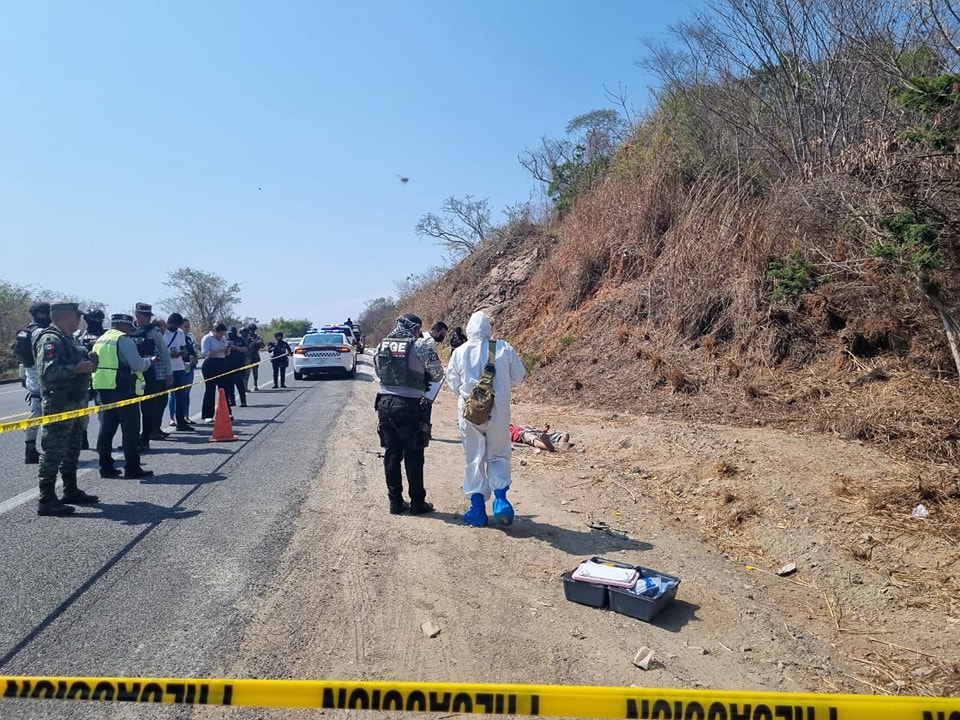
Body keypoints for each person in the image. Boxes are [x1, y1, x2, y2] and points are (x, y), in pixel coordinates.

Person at [446, 310, 526, 527]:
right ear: (488, 329)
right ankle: (501, 501)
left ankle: (477, 510)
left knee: (474, 458)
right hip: (499, 412)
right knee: (499, 454)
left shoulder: (459, 352)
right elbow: (518, 376)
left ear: (469, 329)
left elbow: (453, 383)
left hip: (470, 412)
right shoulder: (503, 348)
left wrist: (468, 394)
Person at [373, 313, 444, 515]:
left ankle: (395, 502)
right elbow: (438, 374)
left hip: (384, 404)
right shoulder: (420, 346)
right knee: (414, 455)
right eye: (418, 329)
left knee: (392, 454)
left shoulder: (381, 345)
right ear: (415, 329)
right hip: (409, 406)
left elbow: (378, 372)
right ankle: (417, 503)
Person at [32, 301, 99, 516]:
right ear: (67, 316)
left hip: (75, 403)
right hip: (59, 405)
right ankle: (46, 499)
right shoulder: (50, 340)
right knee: (53, 451)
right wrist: (77, 368)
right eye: (77, 316)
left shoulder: (68, 339)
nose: (79, 320)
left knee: (72, 448)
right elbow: (48, 373)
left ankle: (70, 490)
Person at [91, 314, 155, 479]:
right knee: (130, 430)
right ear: (124, 325)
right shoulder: (123, 340)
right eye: (130, 327)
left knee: (106, 429)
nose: (131, 330)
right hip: (122, 388)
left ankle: (105, 467)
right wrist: (149, 361)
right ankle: (132, 468)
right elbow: (137, 365)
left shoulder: (101, 339)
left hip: (103, 388)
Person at [12, 301, 50, 464]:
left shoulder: (25, 331)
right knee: (45, 414)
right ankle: (43, 452)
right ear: (39, 314)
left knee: (36, 411)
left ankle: (31, 449)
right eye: (46, 313)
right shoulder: (41, 332)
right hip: (42, 376)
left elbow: (15, 352)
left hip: (30, 374)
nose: (48, 316)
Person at [131, 302, 172, 450]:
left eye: (148, 316)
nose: (147, 318)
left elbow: (164, 353)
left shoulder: (154, 331)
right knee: (130, 410)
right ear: (137, 315)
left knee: (148, 409)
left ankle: (145, 439)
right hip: (131, 374)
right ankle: (131, 440)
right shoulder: (129, 329)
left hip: (148, 373)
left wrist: (169, 373)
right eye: (144, 315)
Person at [76, 308, 107, 452]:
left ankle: (103, 441)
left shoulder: (107, 335)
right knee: (82, 410)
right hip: (84, 377)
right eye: (93, 319)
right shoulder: (79, 335)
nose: (96, 322)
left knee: (103, 410)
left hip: (102, 377)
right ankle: (83, 438)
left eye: (98, 319)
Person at [163, 313, 195, 430]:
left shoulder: (180, 333)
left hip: (179, 368)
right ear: (169, 323)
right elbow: (159, 351)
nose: (176, 328)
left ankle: (181, 423)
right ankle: (161, 424)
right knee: (164, 398)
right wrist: (169, 354)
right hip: (166, 370)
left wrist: (181, 353)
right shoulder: (163, 333)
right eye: (175, 326)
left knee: (181, 397)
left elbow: (184, 348)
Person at [169, 317, 198, 426]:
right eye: (184, 326)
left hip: (188, 368)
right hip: (175, 368)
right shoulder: (171, 335)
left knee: (185, 394)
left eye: (188, 327)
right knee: (173, 395)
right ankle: (172, 418)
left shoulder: (189, 339)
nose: (186, 329)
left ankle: (186, 416)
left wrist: (194, 359)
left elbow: (191, 352)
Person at [200, 322, 231, 421]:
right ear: (214, 331)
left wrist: (227, 350)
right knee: (210, 390)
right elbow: (205, 353)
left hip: (222, 363)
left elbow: (226, 353)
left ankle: (226, 412)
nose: (222, 336)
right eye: (220, 334)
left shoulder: (223, 339)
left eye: (223, 334)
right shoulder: (207, 338)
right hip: (210, 364)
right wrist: (220, 350)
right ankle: (208, 415)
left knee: (224, 389)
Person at [420, 321, 448, 428]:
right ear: (435, 331)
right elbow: (431, 364)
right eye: (442, 334)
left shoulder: (421, 336)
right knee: (426, 405)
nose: (443, 337)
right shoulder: (430, 342)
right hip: (423, 379)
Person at [225, 326, 248, 408]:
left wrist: (235, 347)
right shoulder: (225, 341)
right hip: (228, 365)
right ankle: (232, 401)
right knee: (229, 384)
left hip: (239, 365)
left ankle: (243, 401)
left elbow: (245, 349)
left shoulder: (240, 340)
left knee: (239, 382)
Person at [243, 324, 266, 391]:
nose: (252, 331)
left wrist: (259, 343)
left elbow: (263, 346)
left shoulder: (257, 336)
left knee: (255, 371)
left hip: (255, 355)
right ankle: (245, 386)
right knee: (247, 372)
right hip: (247, 356)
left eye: (253, 330)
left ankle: (255, 385)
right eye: (251, 329)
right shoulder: (246, 336)